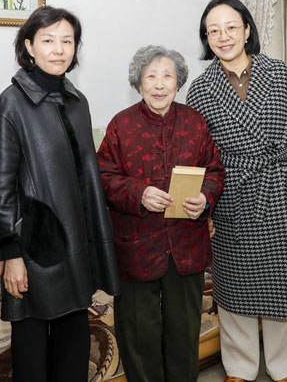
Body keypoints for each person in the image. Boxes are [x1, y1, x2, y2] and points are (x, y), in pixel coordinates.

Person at [186, 0, 287, 382]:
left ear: (247, 30)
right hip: (231, 196)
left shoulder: (279, 73)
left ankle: (283, 367)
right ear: (206, 38)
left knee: (282, 284)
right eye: (213, 30)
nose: (223, 36)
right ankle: (240, 367)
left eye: (231, 27)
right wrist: (205, 209)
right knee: (235, 289)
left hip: (281, 190)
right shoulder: (201, 89)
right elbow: (199, 157)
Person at [0, 6, 120, 382]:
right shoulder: (11, 104)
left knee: (73, 346)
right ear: (29, 46)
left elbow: (85, 179)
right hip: (34, 247)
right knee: (32, 353)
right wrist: (11, 254)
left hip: (76, 244)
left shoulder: (77, 102)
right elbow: (0, 187)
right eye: (48, 40)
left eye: (67, 40)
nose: (59, 49)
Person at [96, 45, 225, 382]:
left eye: (167, 76)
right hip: (137, 247)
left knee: (184, 332)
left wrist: (205, 199)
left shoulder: (195, 122)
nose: (159, 83)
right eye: (150, 76)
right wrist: (138, 193)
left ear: (178, 83)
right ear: (138, 82)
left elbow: (215, 170)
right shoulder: (121, 125)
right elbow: (103, 177)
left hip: (186, 245)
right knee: (139, 335)